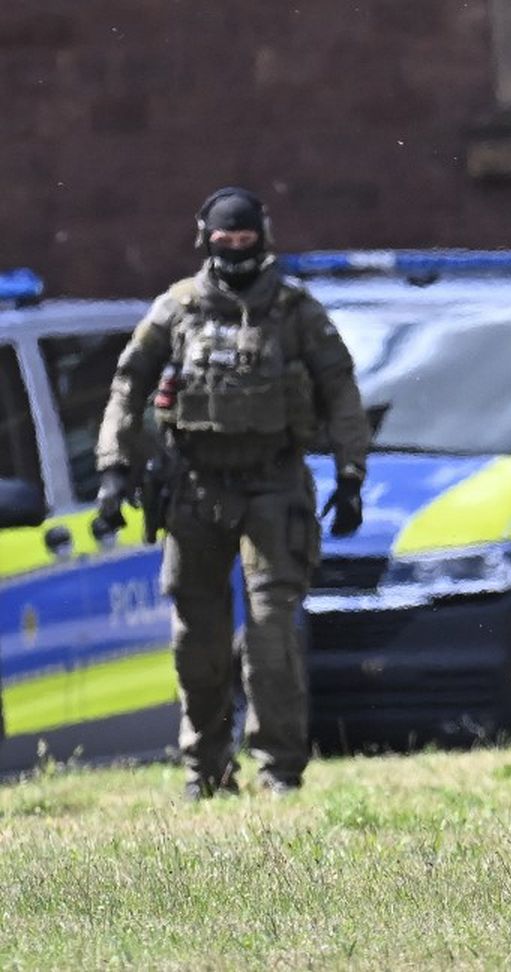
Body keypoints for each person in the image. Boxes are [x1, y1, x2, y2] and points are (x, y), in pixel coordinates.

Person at [95, 187, 371, 800]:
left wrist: (351, 474)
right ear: (206, 241)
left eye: (247, 242)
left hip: (274, 486)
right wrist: (114, 468)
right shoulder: (176, 309)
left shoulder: (296, 311)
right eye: (226, 243)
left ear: (264, 240)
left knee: (272, 636)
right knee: (198, 641)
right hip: (195, 488)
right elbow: (127, 385)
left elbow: (341, 390)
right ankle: (207, 769)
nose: (237, 253)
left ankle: (280, 771)